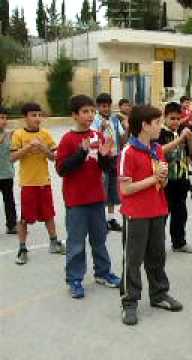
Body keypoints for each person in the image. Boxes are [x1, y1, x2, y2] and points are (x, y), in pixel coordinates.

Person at [119, 105, 183, 326]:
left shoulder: (156, 149)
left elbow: (160, 183)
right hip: (136, 214)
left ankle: (159, 294)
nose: (160, 126)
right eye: (157, 123)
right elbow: (126, 190)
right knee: (133, 260)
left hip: (158, 210)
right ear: (144, 125)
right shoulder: (128, 152)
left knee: (157, 256)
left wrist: (162, 178)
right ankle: (129, 302)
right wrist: (154, 178)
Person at [56, 95, 121, 298]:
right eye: (85, 111)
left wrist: (104, 156)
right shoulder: (68, 139)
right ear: (74, 115)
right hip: (76, 201)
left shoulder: (97, 135)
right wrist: (81, 153)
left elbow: (106, 167)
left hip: (96, 198)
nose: (90, 115)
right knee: (76, 243)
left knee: (99, 239)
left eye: (92, 111)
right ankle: (75, 279)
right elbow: (62, 169)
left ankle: (103, 273)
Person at [11, 102, 65, 265]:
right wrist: (28, 148)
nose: (37, 118)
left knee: (49, 214)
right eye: (33, 115)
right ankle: (22, 248)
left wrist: (43, 148)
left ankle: (54, 242)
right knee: (25, 218)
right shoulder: (18, 134)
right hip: (28, 183)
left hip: (44, 181)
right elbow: (12, 158)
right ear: (25, 117)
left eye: (39, 115)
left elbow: (54, 157)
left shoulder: (45, 134)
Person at [157, 102, 192, 254]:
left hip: (181, 178)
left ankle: (179, 242)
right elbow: (160, 151)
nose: (175, 122)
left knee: (180, 213)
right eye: (172, 118)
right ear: (165, 117)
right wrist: (180, 139)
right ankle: (157, 245)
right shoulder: (161, 133)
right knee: (162, 215)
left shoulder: (182, 132)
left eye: (178, 119)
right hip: (166, 180)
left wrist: (189, 139)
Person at [92, 93, 126, 232]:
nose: (106, 109)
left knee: (112, 189)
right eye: (103, 106)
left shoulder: (115, 120)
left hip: (114, 157)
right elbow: (94, 139)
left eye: (107, 106)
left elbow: (122, 138)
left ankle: (111, 219)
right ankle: (100, 220)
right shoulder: (95, 120)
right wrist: (101, 128)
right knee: (102, 189)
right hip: (103, 158)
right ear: (98, 107)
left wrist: (126, 128)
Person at [0, 106, 17, 234]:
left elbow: (14, 152)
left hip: (7, 174)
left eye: (6, 118)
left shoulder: (9, 134)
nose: (4, 121)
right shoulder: (6, 134)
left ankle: (11, 225)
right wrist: (4, 136)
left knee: (9, 200)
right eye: (1, 118)